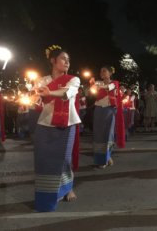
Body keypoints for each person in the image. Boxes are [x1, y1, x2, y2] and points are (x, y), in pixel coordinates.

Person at [33, 45, 81, 212]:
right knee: (44, 161)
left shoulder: (73, 80)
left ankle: (68, 188)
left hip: (66, 124)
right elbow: (36, 100)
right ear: (53, 61)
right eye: (63, 58)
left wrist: (49, 94)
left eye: (68, 59)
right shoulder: (42, 80)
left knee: (64, 159)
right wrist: (34, 98)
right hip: (45, 124)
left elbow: (67, 93)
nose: (67, 62)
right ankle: (46, 195)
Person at [90, 66, 124, 168]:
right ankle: (103, 158)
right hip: (98, 110)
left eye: (105, 71)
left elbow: (109, 87)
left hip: (109, 110)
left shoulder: (115, 83)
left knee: (108, 133)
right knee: (98, 134)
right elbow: (92, 92)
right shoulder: (98, 83)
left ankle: (105, 159)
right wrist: (92, 85)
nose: (102, 73)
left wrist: (97, 85)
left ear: (110, 73)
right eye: (101, 71)